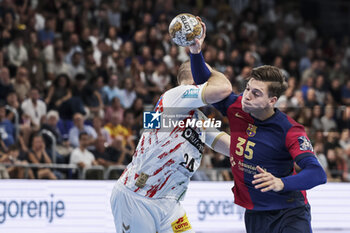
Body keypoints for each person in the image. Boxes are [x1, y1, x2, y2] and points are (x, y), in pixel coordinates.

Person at [189, 19, 327, 233]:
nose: (247, 96)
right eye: (248, 88)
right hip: (254, 214)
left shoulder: (289, 130)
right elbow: (205, 83)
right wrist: (196, 52)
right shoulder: (236, 107)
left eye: (256, 93)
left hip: (289, 212)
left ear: (272, 100)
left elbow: (318, 173)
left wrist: (282, 183)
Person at [110, 58, 233, 232]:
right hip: (138, 196)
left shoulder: (199, 119)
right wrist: (206, 66)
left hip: (170, 204)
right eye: (206, 76)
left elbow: (231, 147)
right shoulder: (175, 96)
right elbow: (224, 89)